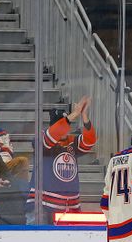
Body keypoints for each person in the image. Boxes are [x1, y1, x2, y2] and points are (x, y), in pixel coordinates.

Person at [25, 96, 95, 224]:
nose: (65, 130)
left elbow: (89, 141)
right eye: (62, 124)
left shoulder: (71, 142)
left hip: (69, 207)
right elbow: (50, 136)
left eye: (66, 126)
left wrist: (84, 116)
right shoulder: (41, 137)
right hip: (42, 206)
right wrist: (73, 115)